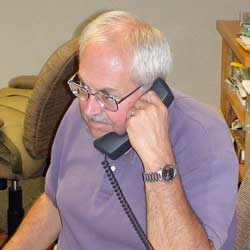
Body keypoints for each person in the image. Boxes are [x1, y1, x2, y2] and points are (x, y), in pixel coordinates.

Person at [4, 10, 238, 250]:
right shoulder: (80, 106)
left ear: (151, 92)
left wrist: (158, 160)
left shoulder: (204, 136)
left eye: (108, 96)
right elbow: (54, 204)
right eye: (83, 86)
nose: (90, 109)